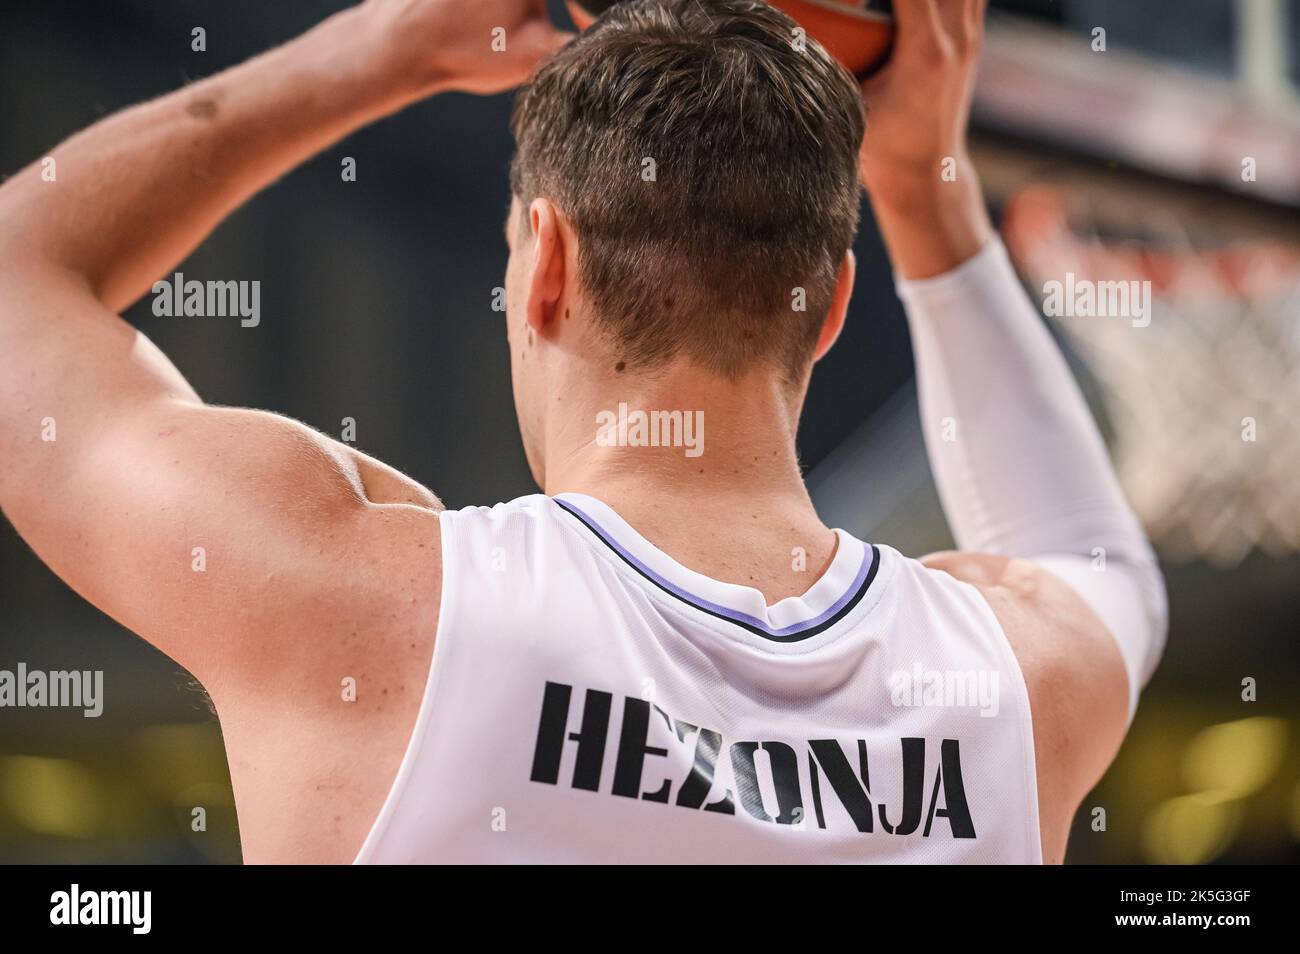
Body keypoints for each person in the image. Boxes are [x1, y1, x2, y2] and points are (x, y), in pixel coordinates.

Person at [0, 0, 1165, 863]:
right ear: (830, 310)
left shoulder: (361, 600)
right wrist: (928, 191)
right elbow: (1094, 563)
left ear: (545, 265)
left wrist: (383, 48)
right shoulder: (1008, 688)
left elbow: (15, 283)